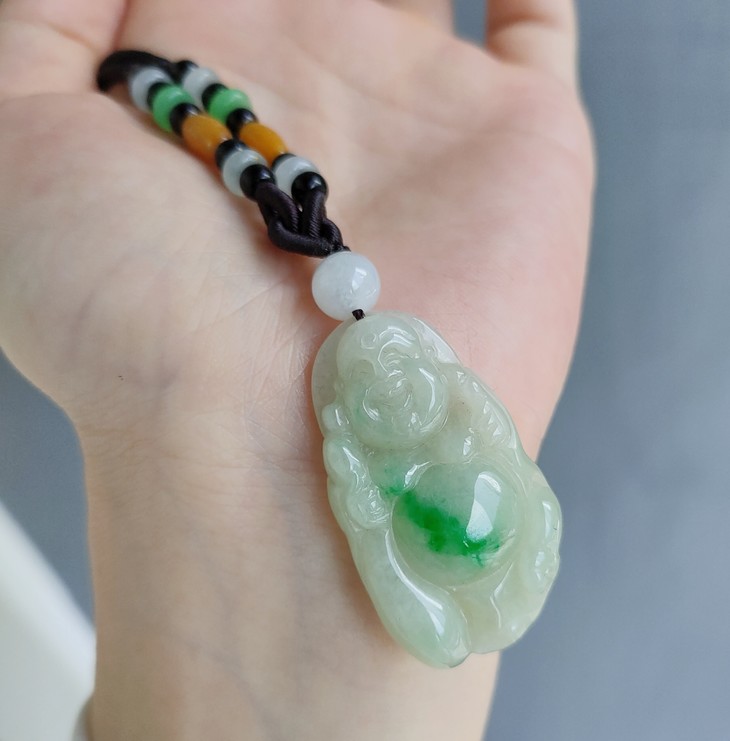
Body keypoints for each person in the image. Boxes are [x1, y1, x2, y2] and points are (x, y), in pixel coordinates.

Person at [0, 0, 594, 738]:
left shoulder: (462, 420)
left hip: (503, 551)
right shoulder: (371, 479)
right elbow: (390, 563)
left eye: (404, 372)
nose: (395, 388)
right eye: (376, 391)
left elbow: (522, 488)